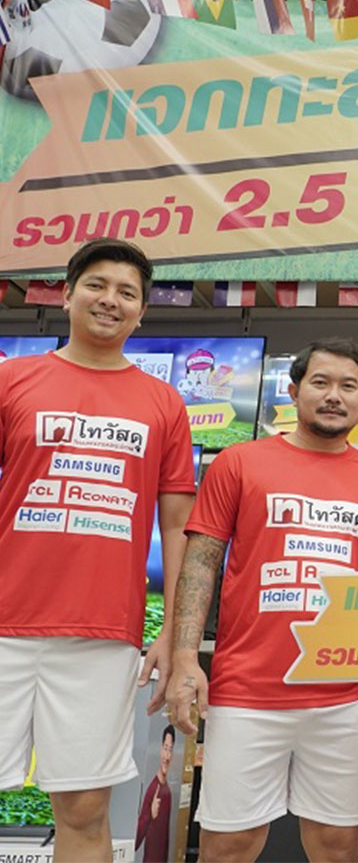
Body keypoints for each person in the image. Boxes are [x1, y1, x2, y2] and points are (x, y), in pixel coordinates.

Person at [164, 337, 358, 863]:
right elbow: (200, 562)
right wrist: (185, 657)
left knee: (338, 845)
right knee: (228, 845)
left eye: (348, 386)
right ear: (294, 391)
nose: (334, 396)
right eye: (320, 383)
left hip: (344, 696)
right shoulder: (238, 463)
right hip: (246, 692)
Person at [0, 238, 196, 863]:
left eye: (127, 293)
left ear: (141, 311)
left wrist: (174, 635)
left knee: (84, 809)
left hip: (103, 632)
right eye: (97, 285)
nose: (111, 300)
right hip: (4, 623)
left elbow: (179, 527)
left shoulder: (164, 403)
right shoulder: (12, 380)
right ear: (66, 294)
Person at [136, 725, 175, 863]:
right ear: (160, 750)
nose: (167, 756)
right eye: (165, 748)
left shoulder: (167, 792)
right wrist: (150, 815)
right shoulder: (153, 789)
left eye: (170, 750)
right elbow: (136, 839)